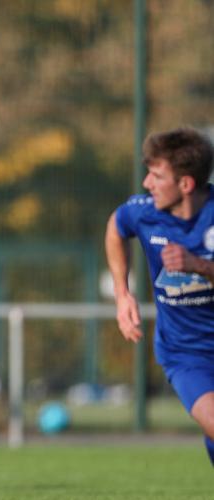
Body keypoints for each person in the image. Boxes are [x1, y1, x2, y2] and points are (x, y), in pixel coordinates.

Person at [105, 127, 214, 466]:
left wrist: (199, 266)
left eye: (156, 176)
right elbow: (115, 228)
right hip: (186, 353)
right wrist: (123, 294)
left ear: (185, 184)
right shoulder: (142, 212)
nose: (146, 184)